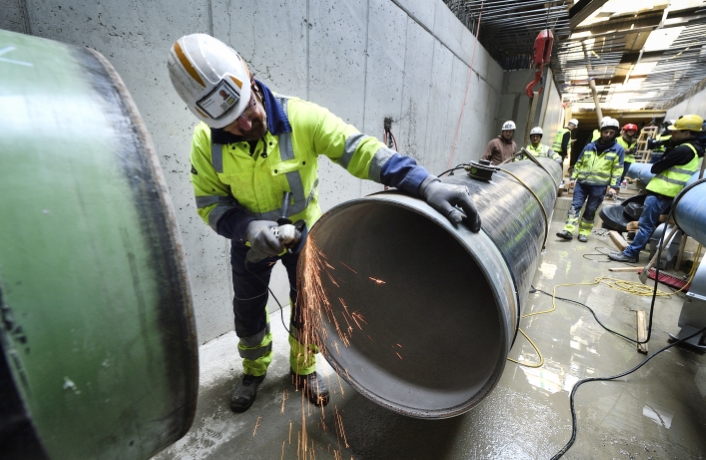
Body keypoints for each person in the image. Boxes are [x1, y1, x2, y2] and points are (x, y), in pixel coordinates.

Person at [167, 34, 481, 413]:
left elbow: (361, 151)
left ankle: (304, 369)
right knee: (248, 311)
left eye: (248, 106)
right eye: (233, 124)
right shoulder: (206, 145)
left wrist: (425, 184)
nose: (249, 122)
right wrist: (249, 229)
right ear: (208, 120)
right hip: (249, 242)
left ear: (250, 80)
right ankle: (253, 370)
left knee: (308, 304)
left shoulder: (301, 118)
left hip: (305, 235)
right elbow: (210, 204)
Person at [609, 115, 705, 263]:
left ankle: (630, 254)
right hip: (666, 192)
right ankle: (631, 253)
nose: (672, 134)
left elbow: (655, 168)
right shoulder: (692, 149)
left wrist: (668, 151)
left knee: (645, 225)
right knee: (646, 224)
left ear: (687, 133)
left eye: (676, 132)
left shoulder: (684, 150)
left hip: (662, 192)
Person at [556, 118, 625, 243]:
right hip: (582, 183)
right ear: (601, 132)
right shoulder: (589, 147)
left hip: (599, 186)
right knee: (574, 207)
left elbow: (617, 170)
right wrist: (573, 177)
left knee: (590, 210)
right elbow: (579, 162)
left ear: (615, 133)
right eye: (605, 132)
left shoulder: (618, 150)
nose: (608, 135)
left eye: (611, 132)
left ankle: (583, 232)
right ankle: (568, 230)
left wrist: (614, 187)